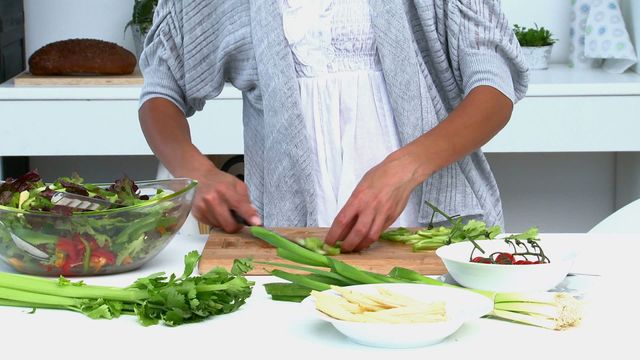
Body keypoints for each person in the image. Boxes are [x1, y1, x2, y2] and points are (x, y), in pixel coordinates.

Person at [138, 0, 528, 252]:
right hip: (294, 245)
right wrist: (195, 172)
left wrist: (404, 168)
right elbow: (161, 92)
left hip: (435, 238)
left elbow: (494, 90)